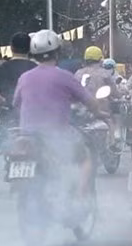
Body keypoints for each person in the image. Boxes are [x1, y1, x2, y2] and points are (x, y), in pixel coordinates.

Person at [13, 30, 108, 207]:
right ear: (57, 52)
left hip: (26, 135)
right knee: (86, 157)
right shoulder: (64, 76)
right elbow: (89, 101)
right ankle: (80, 198)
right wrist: (100, 113)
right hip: (56, 134)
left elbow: (16, 103)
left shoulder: (24, 77)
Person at [0, 32, 36, 106]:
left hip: (6, 114)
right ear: (30, 48)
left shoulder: (1, 69)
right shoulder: (35, 68)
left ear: (11, 47)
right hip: (33, 114)